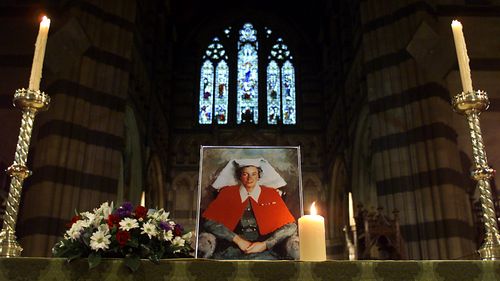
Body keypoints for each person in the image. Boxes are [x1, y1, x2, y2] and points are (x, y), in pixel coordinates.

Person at [201, 158, 298, 259]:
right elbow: (209, 221)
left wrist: (266, 244)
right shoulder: (227, 193)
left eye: (253, 174)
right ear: (239, 176)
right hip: (231, 249)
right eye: (245, 174)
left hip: (265, 251)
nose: (249, 178)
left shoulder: (271, 194)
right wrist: (237, 240)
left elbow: (290, 226)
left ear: (259, 176)